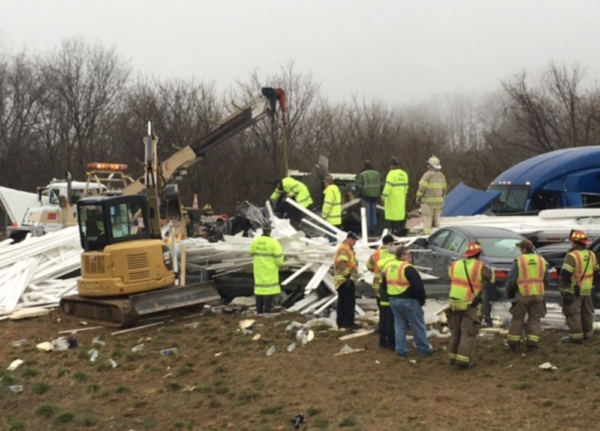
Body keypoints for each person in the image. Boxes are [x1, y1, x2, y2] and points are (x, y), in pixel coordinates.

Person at [447, 242, 494, 369]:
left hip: (454, 303)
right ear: (479, 254)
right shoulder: (480, 266)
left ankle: (452, 357)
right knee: (467, 332)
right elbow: (491, 278)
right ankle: (463, 361)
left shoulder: (455, 264)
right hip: (469, 303)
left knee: (455, 332)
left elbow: (451, 277)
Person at [384, 246, 437, 359]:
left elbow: (384, 284)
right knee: (417, 325)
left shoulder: (389, 267)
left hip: (393, 299)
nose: (410, 256)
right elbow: (418, 287)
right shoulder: (407, 268)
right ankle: (424, 349)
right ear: (402, 256)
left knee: (399, 326)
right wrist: (421, 300)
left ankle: (401, 351)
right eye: (408, 254)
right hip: (408, 300)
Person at [506, 240, 549, 352]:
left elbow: (512, 280)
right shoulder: (541, 260)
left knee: (517, 318)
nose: (520, 250)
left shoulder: (519, 261)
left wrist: (510, 292)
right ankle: (532, 344)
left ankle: (513, 344)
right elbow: (547, 279)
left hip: (523, 295)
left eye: (520, 248)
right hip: (538, 295)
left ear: (524, 249)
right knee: (535, 319)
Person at [559, 230, 599, 344]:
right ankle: (588, 334)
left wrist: (562, 287)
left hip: (574, 289)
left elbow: (566, 273)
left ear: (574, 242)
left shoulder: (572, 255)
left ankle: (576, 337)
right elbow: (596, 271)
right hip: (587, 288)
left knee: (573, 313)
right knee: (586, 313)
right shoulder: (591, 254)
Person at [366, 234, 396, 349]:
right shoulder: (391, 254)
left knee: (382, 311)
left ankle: (382, 336)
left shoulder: (375, 253)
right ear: (390, 243)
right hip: (388, 284)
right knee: (389, 313)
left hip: (377, 284)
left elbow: (369, 266)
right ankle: (389, 338)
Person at [249, 221, 284, 314]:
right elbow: (279, 259)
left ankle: (259, 310)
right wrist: (280, 264)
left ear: (262, 231)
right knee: (268, 290)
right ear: (270, 231)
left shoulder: (256, 241)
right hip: (270, 268)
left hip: (258, 268)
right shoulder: (274, 242)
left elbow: (251, 252)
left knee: (259, 289)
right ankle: (267, 310)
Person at [334, 232, 360, 330]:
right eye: (353, 240)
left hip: (343, 280)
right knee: (349, 302)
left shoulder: (347, 248)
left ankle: (341, 323)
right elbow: (341, 263)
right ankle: (348, 323)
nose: (355, 242)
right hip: (345, 280)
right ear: (348, 238)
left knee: (342, 302)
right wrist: (347, 275)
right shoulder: (344, 249)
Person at [415, 156, 446, 235]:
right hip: (438, 203)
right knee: (436, 221)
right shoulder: (442, 176)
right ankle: (438, 237)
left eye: (428, 164)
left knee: (427, 220)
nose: (427, 166)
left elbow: (422, 188)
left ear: (431, 165)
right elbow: (444, 189)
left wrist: (418, 197)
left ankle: (427, 237)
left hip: (427, 203)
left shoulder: (427, 175)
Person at [381, 157, 409, 237]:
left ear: (392, 165)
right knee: (400, 218)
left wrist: (383, 197)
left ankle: (395, 234)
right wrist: (404, 195)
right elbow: (406, 187)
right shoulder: (404, 174)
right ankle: (402, 234)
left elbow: (388, 186)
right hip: (401, 199)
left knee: (394, 219)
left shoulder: (391, 174)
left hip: (392, 199)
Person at [355, 160, 383, 235]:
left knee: (366, 214)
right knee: (373, 213)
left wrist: (358, 194)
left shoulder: (362, 174)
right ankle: (373, 229)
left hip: (365, 196)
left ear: (364, 166)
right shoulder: (377, 174)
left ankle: (366, 230)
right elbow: (382, 184)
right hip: (375, 196)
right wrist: (379, 193)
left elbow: (359, 186)